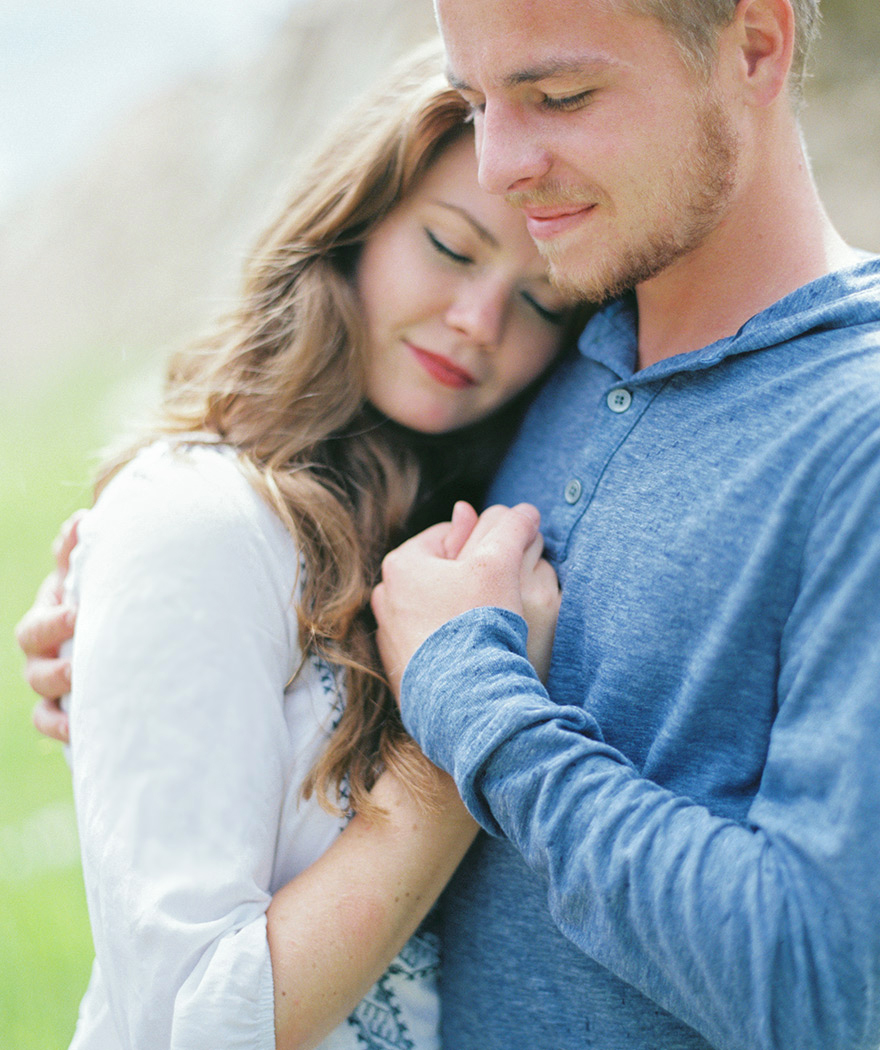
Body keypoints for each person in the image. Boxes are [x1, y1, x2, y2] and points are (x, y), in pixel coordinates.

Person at [14, 41, 580, 1050]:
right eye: (451, 248)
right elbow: (187, 1025)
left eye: (541, 301)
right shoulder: (199, 520)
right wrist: (457, 738)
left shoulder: (434, 527)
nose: (479, 321)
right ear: (354, 225)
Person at [367, 1, 880, 1049]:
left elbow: (829, 990)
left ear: (752, 45)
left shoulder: (854, 436)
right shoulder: (561, 340)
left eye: (559, 96)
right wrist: (156, 612)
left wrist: (474, 694)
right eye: (475, 102)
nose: (500, 163)